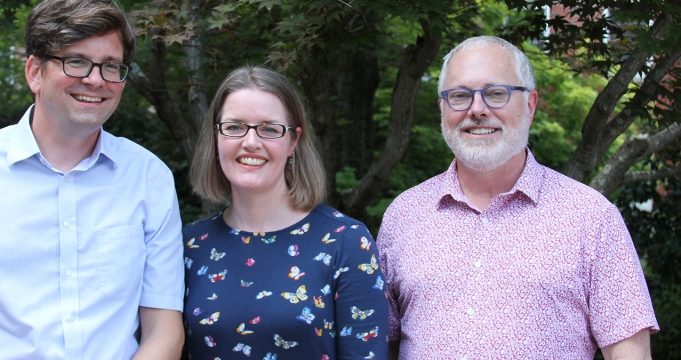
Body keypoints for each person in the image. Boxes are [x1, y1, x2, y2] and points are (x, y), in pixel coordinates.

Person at [0, 0, 184, 358]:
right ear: (35, 72)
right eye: (76, 61)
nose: (96, 80)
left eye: (111, 66)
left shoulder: (149, 176)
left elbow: (164, 330)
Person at [377, 36, 659, 359]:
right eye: (460, 95)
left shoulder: (591, 217)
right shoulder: (404, 216)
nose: (477, 109)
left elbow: (630, 354)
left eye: (497, 93)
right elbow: (381, 346)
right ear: (442, 108)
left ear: (530, 105)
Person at [182, 65, 388, 359]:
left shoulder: (345, 242)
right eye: (235, 127)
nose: (250, 142)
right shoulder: (191, 244)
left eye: (269, 129)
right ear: (217, 138)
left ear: (293, 141)